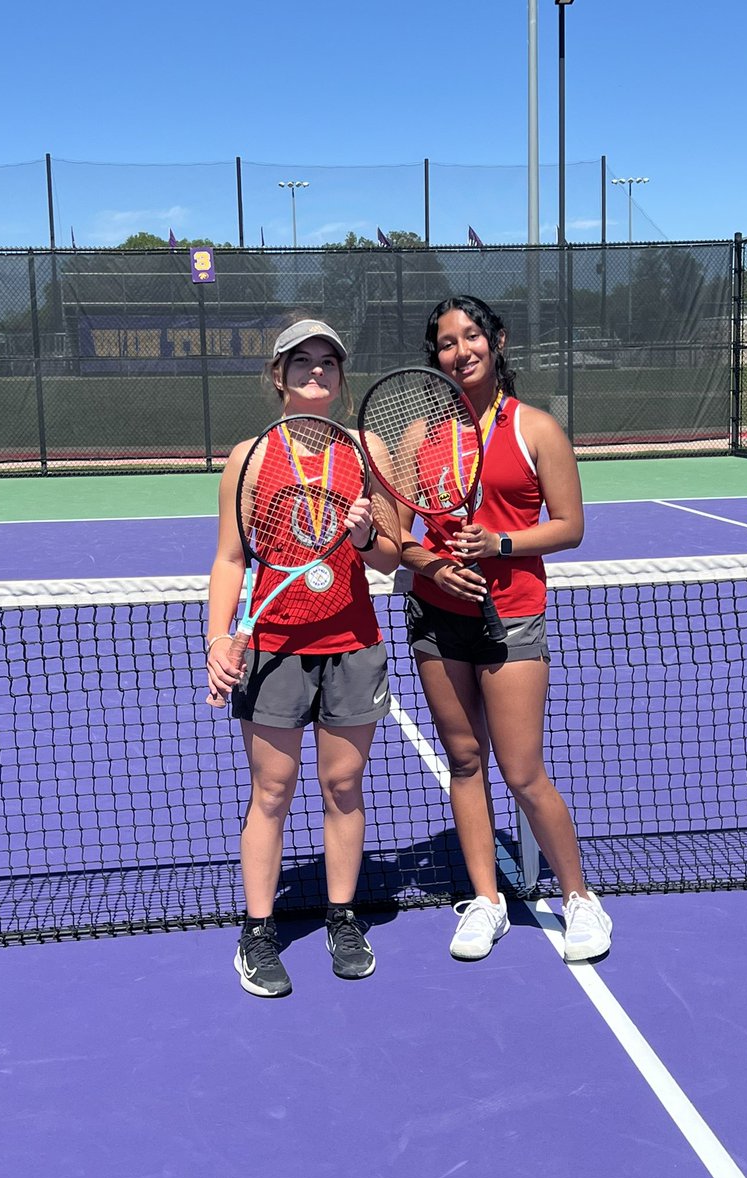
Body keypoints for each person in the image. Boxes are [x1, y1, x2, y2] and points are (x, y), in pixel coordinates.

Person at [399, 296, 612, 962]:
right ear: (433, 356)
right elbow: (393, 538)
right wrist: (433, 566)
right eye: (444, 343)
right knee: (465, 762)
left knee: (521, 772)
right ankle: (486, 900)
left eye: (470, 337)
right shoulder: (418, 439)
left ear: (497, 342)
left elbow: (569, 526)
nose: (459, 351)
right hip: (438, 620)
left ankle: (578, 898)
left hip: (513, 615)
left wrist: (501, 543)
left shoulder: (537, 429)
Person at [207, 318, 400, 998]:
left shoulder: (368, 448)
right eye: (302, 362)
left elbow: (389, 559)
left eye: (328, 363)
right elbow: (231, 558)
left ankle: (342, 917)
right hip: (274, 650)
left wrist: (368, 531)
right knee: (273, 792)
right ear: (279, 376)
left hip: (352, 645)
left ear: (342, 378)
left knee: (344, 788)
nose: (315, 372)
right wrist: (218, 639)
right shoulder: (250, 457)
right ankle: (258, 931)